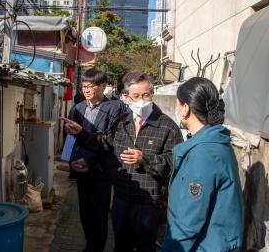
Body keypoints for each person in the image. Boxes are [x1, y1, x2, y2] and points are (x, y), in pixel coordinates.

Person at [63, 71, 183, 252]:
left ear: (152, 94)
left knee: (144, 246)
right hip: (121, 198)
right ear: (127, 97)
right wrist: (80, 135)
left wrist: (144, 158)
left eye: (146, 95)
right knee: (120, 244)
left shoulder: (167, 126)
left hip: (148, 202)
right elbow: (104, 142)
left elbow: (174, 163)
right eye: (135, 96)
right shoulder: (122, 121)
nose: (141, 100)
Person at [161, 77, 243, 252]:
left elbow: (189, 220)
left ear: (185, 109)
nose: (176, 108)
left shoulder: (203, 154)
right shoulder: (216, 140)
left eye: (178, 104)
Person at [69, 67, 124, 252]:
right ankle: (89, 245)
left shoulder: (115, 108)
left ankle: (95, 248)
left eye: (90, 86)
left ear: (102, 86)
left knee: (99, 215)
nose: (86, 90)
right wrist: (69, 161)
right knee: (84, 213)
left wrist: (89, 162)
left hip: (100, 172)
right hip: (79, 170)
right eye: (83, 86)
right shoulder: (77, 108)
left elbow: (112, 142)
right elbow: (70, 137)